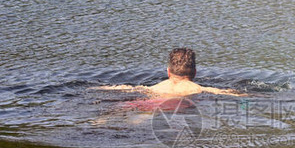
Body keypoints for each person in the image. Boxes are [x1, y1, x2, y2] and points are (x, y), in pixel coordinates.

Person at [99, 48, 243, 97]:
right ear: (195, 72)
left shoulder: (151, 88)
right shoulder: (200, 89)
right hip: (168, 108)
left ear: (168, 71)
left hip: (148, 101)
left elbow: (125, 88)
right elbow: (230, 93)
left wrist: (96, 88)